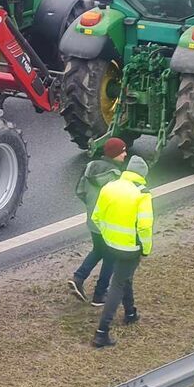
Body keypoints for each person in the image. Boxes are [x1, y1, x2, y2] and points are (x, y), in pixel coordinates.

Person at [91, 155, 153, 348]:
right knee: (118, 284)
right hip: (130, 248)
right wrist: (146, 249)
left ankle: (130, 313)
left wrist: (109, 237)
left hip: (111, 245)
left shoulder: (109, 187)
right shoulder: (142, 194)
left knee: (125, 277)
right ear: (142, 175)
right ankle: (102, 332)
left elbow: (96, 217)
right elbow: (144, 227)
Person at [68, 137, 128, 304]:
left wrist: (91, 206)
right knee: (110, 257)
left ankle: (78, 278)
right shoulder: (115, 176)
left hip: (93, 220)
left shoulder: (89, 167)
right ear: (115, 154)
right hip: (107, 224)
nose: (125, 154)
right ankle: (100, 294)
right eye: (122, 151)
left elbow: (80, 191)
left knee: (99, 250)